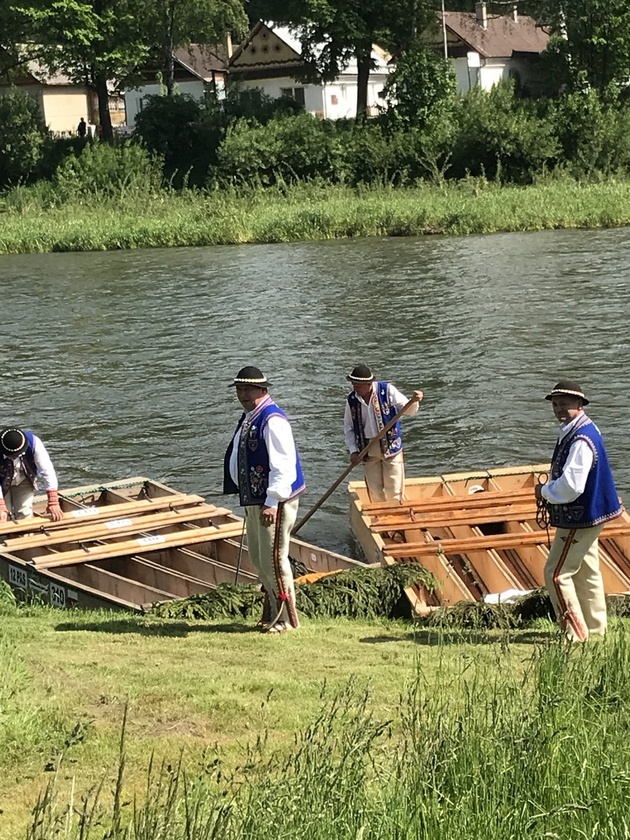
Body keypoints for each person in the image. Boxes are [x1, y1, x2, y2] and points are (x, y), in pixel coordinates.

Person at [536, 380, 622, 642]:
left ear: (579, 405)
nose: (559, 409)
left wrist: (544, 492)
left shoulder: (581, 438)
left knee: (556, 573)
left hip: (580, 516)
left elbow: (572, 486)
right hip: (593, 514)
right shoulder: (584, 428)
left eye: (565, 404)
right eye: (555, 404)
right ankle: (596, 628)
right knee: (587, 570)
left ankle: (574, 634)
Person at [223, 366, 305, 634]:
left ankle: (287, 619)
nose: (243, 395)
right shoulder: (250, 417)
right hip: (254, 500)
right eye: (239, 390)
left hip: (272, 502)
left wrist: (272, 501)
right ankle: (271, 609)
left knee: (274, 560)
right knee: (258, 560)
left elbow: (284, 466)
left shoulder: (272, 420)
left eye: (248, 389)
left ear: (263, 390)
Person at [343, 364, 423, 503]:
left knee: (394, 490)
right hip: (367, 449)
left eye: (358, 385)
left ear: (369, 384)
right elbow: (348, 428)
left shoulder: (386, 391)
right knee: (374, 492)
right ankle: (379, 519)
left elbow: (409, 410)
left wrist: (414, 401)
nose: (355, 388)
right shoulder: (351, 400)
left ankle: (396, 518)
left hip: (390, 446)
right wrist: (354, 451)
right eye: (353, 384)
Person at [0, 428, 63, 523]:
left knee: (25, 513)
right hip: (1, 481)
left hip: (23, 479)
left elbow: (47, 471)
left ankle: (25, 535)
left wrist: (53, 501)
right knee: (3, 517)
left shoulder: (34, 443)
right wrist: (1, 505)